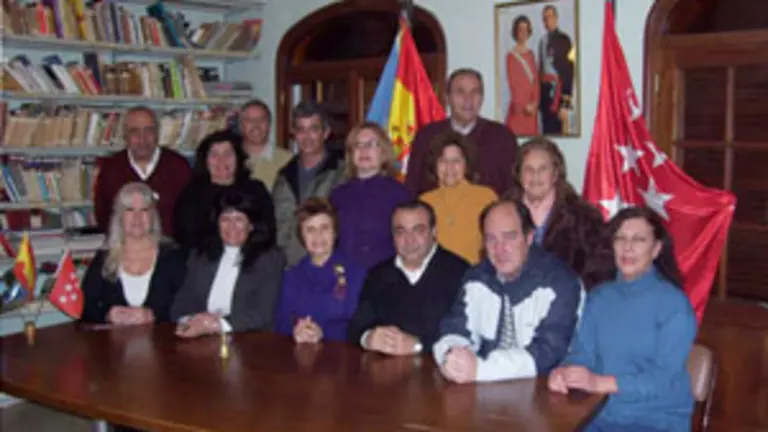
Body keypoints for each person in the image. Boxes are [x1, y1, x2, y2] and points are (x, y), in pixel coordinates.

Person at [548, 207, 696, 432]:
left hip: (653, 421)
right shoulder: (599, 297)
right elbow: (582, 354)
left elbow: (662, 379)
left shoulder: (674, 305)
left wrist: (598, 383)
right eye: (621, 239)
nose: (627, 247)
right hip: (595, 416)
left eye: (638, 240)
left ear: (656, 249)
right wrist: (564, 373)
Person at [433, 199, 582, 383]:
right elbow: (454, 328)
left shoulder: (560, 282)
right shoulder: (476, 278)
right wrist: (452, 357)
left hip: (545, 392)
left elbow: (548, 353)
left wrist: (480, 370)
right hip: (482, 390)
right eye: (491, 239)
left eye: (510, 237)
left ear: (529, 238)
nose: (500, 249)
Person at [347, 200, 469, 356]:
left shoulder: (461, 272)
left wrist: (418, 346)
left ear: (434, 232)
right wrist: (368, 338)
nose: (409, 239)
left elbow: (469, 335)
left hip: (442, 373)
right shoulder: (378, 275)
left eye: (418, 230)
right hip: (386, 373)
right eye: (401, 231)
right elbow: (355, 327)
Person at [171, 192, 285, 337]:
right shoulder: (201, 256)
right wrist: (192, 320)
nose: (232, 226)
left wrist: (216, 325)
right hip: (201, 336)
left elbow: (263, 312)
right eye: (225, 219)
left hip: (249, 340)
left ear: (251, 225)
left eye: (239, 219)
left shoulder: (269, 258)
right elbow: (180, 305)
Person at [504, 137, 607, 288]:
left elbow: (600, 269)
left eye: (543, 169)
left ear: (556, 173)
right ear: (518, 174)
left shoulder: (584, 216)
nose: (535, 176)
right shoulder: (502, 213)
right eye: (528, 169)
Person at [81, 182, 185, 325]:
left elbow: (187, 308)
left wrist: (154, 315)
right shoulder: (104, 258)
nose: (137, 218)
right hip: (113, 344)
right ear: (119, 216)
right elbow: (85, 307)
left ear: (153, 216)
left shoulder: (173, 256)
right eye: (129, 210)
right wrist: (108, 315)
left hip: (163, 343)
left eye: (144, 210)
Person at [405, 68, 518, 196]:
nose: (468, 99)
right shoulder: (427, 136)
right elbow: (412, 187)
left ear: (482, 97)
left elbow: (513, 189)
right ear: (447, 98)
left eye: (475, 92)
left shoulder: (501, 136)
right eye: (460, 92)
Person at [274, 198, 366, 343]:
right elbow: (280, 322)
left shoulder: (356, 274)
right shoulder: (291, 276)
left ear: (335, 232)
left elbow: (359, 327)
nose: (318, 236)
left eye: (324, 228)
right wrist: (296, 329)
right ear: (301, 236)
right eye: (310, 229)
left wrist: (323, 333)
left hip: (341, 356)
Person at [94, 105, 191, 236]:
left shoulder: (179, 166)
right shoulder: (111, 168)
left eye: (149, 130)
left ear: (157, 133)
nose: (142, 138)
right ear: (125, 136)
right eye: (134, 131)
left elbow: (191, 216)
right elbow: (104, 216)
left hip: (171, 249)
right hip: (126, 250)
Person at [173, 129, 274, 252]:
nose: (222, 160)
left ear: (238, 158)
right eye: (214, 155)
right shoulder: (191, 195)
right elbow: (186, 239)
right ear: (205, 160)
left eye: (228, 154)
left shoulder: (256, 191)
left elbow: (267, 233)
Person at [329, 123, 412, 269]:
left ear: (384, 152)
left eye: (371, 144)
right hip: (346, 280)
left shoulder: (400, 195)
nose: (364, 150)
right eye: (358, 145)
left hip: (387, 280)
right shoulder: (338, 196)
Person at [273, 101, 345, 267]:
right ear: (294, 134)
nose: (307, 137)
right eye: (301, 129)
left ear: (325, 133)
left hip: (330, 266)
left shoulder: (342, 173)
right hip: (290, 269)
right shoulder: (283, 177)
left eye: (313, 129)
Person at [420, 131, 497, 264]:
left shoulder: (486, 197)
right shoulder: (424, 201)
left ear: (466, 165)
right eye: (443, 161)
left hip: (475, 277)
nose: (450, 167)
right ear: (435, 165)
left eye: (456, 161)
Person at [238, 99, 293, 189]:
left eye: (261, 119)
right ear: (241, 125)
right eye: (250, 120)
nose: (256, 125)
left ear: (269, 124)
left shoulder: (288, 162)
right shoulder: (229, 159)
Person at [538, 5, 575, 134]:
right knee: (546, 131)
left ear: (556, 18)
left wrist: (566, 97)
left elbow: (569, 69)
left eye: (550, 16)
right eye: (545, 18)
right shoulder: (542, 41)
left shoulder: (565, 39)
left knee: (558, 129)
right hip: (545, 94)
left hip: (558, 93)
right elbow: (541, 69)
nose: (548, 20)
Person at [505, 15, 539, 136]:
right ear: (516, 32)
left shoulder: (531, 55)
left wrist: (535, 103)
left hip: (532, 111)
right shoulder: (511, 56)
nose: (523, 33)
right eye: (520, 29)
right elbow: (513, 84)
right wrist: (524, 106)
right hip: (519, 109)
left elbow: (535, 81)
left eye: (525, 29)